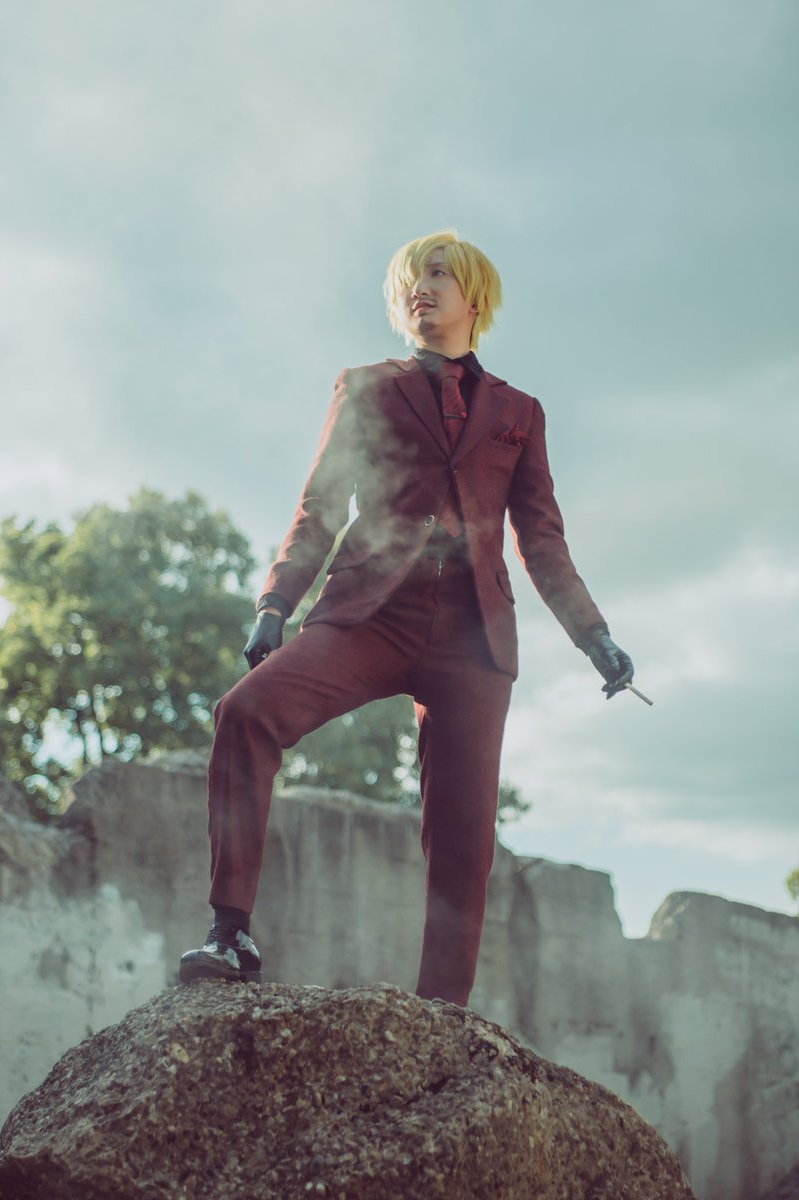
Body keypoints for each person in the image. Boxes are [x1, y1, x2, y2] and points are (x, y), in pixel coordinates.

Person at [179, 230, 633, 1006]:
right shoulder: (366, 387)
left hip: (474, 636)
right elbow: (320, 506)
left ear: (474, 296)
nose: (421, 287)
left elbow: (541, 539)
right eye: (411, 279)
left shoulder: (520, 412)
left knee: (464, 837)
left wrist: (594, 635)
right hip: (370, 613)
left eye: (438, 274)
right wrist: (275, 604)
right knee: (245, 712)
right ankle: (231, 932)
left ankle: (442, 1014)